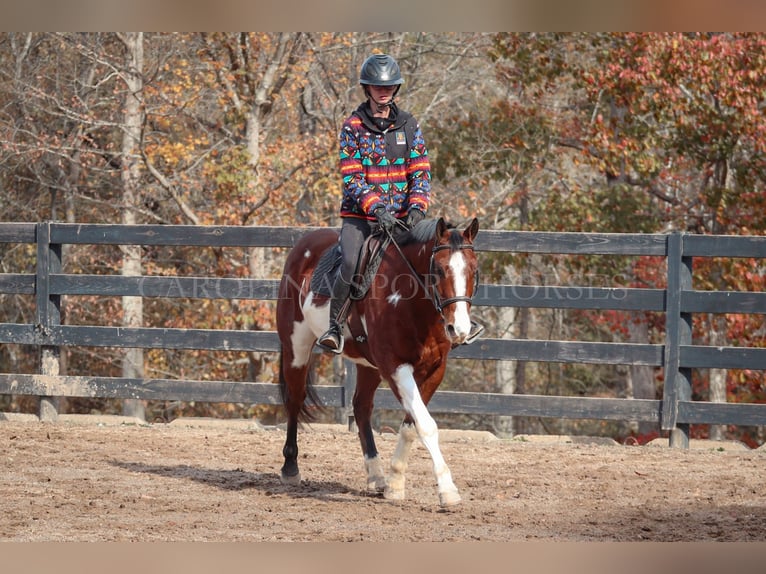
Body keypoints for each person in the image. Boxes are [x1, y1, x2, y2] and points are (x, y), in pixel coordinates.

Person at [316, 53, 430, 354]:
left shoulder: (409, 125)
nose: (384, 92)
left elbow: (420, 169)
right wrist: (376, 208)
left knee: (439, 255)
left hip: (404, 217)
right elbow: (352, 177)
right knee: (353, 263)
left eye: (390, 87)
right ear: (367, 89)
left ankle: (451, 323)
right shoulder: (352, 127)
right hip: (362, 218)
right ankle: (335, 327)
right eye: (379, 87)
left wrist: (418, 206)